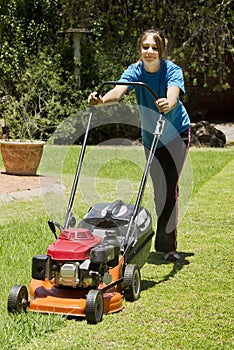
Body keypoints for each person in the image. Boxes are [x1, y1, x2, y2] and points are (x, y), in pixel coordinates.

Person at [88, 29, 190, 262]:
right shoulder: (134, 71)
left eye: (154, 47)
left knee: (169, 188)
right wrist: (101, 100)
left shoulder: (172, 70)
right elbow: (118, 91)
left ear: (161, 50)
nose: (149, 51)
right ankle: (153, 238)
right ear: (140, 49)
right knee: (159, 190)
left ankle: (167, 248)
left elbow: (173, 94)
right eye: (145, 47)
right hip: (150, 136)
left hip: (176, 134)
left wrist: (168, 102)